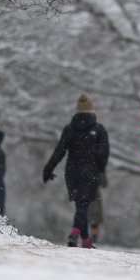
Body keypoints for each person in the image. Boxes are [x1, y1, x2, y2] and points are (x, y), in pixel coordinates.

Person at [43, 93, 110, 248]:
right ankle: (75, 233)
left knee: (81, 206)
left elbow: (60, 150)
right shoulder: (99, 130)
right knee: (83, 206)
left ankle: (85, 240)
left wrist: (48, 168)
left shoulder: (69, 129)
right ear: (92, 111)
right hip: (90, 173)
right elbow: (104, 154)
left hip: (72, 172)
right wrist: (100, 168)